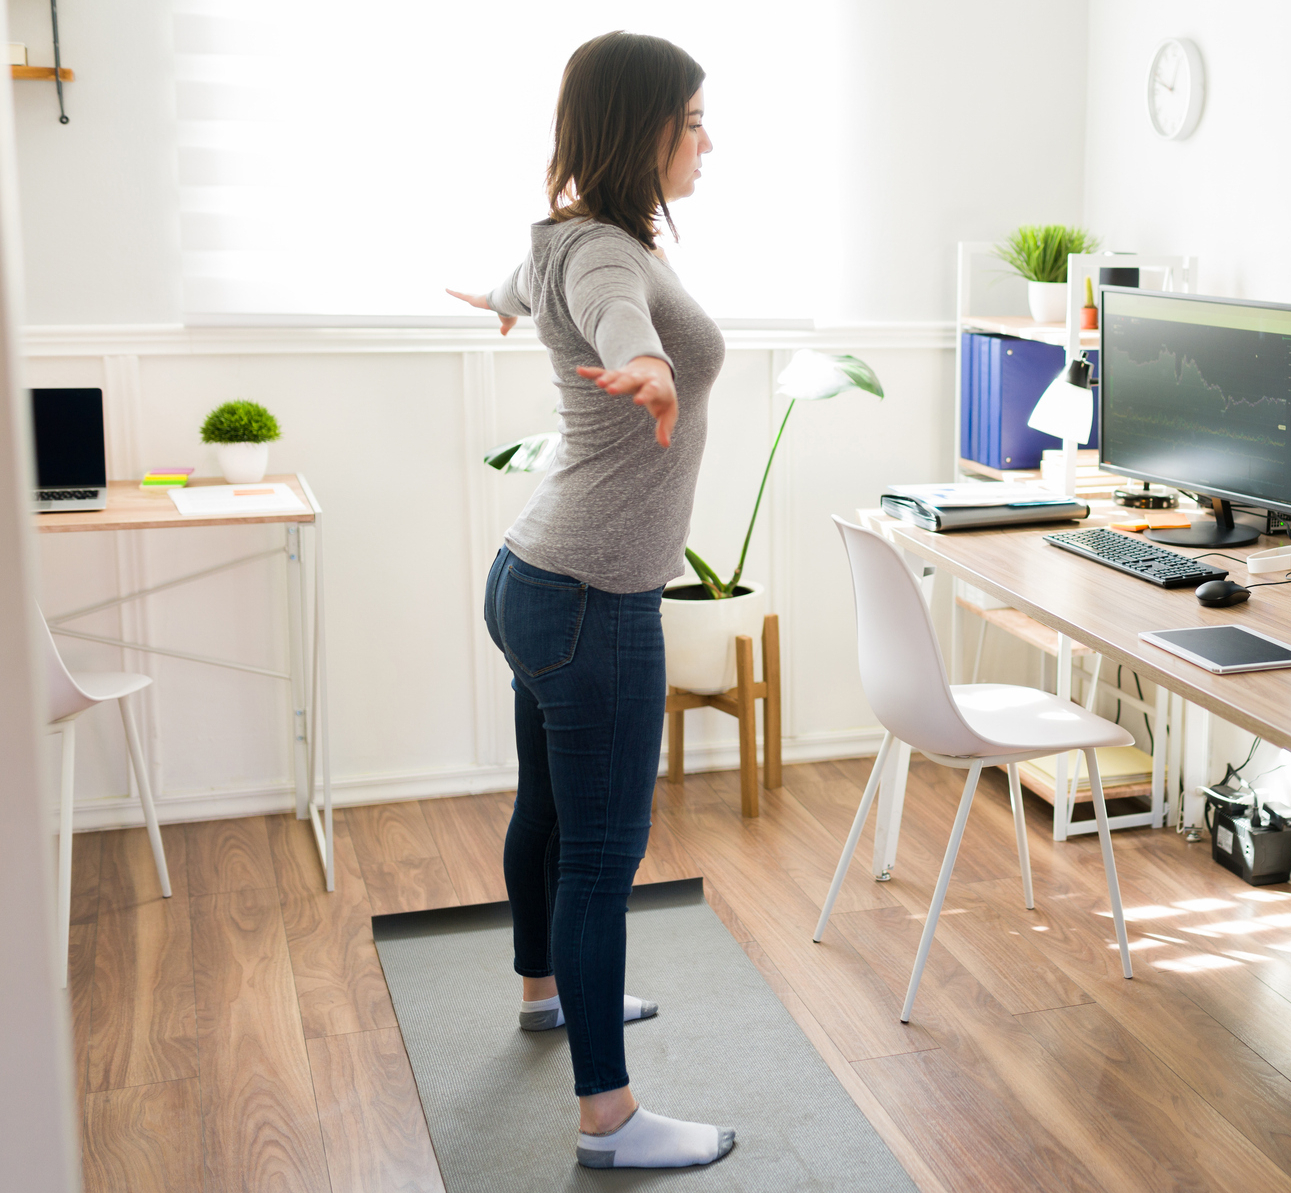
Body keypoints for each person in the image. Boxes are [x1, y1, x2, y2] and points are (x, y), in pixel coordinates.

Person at [447, 30, 730, 1170]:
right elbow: (617, 318)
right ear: (643, 125)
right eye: (695, 118)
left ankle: (544, 992)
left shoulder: (563, 237)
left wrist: (501, 300)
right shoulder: (607, 256)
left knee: (550, 817)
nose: (708, 140)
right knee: (600, 853)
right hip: (591, 599)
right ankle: (607, 1117)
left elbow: (530, 277)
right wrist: (647, 366)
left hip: (531, 577)